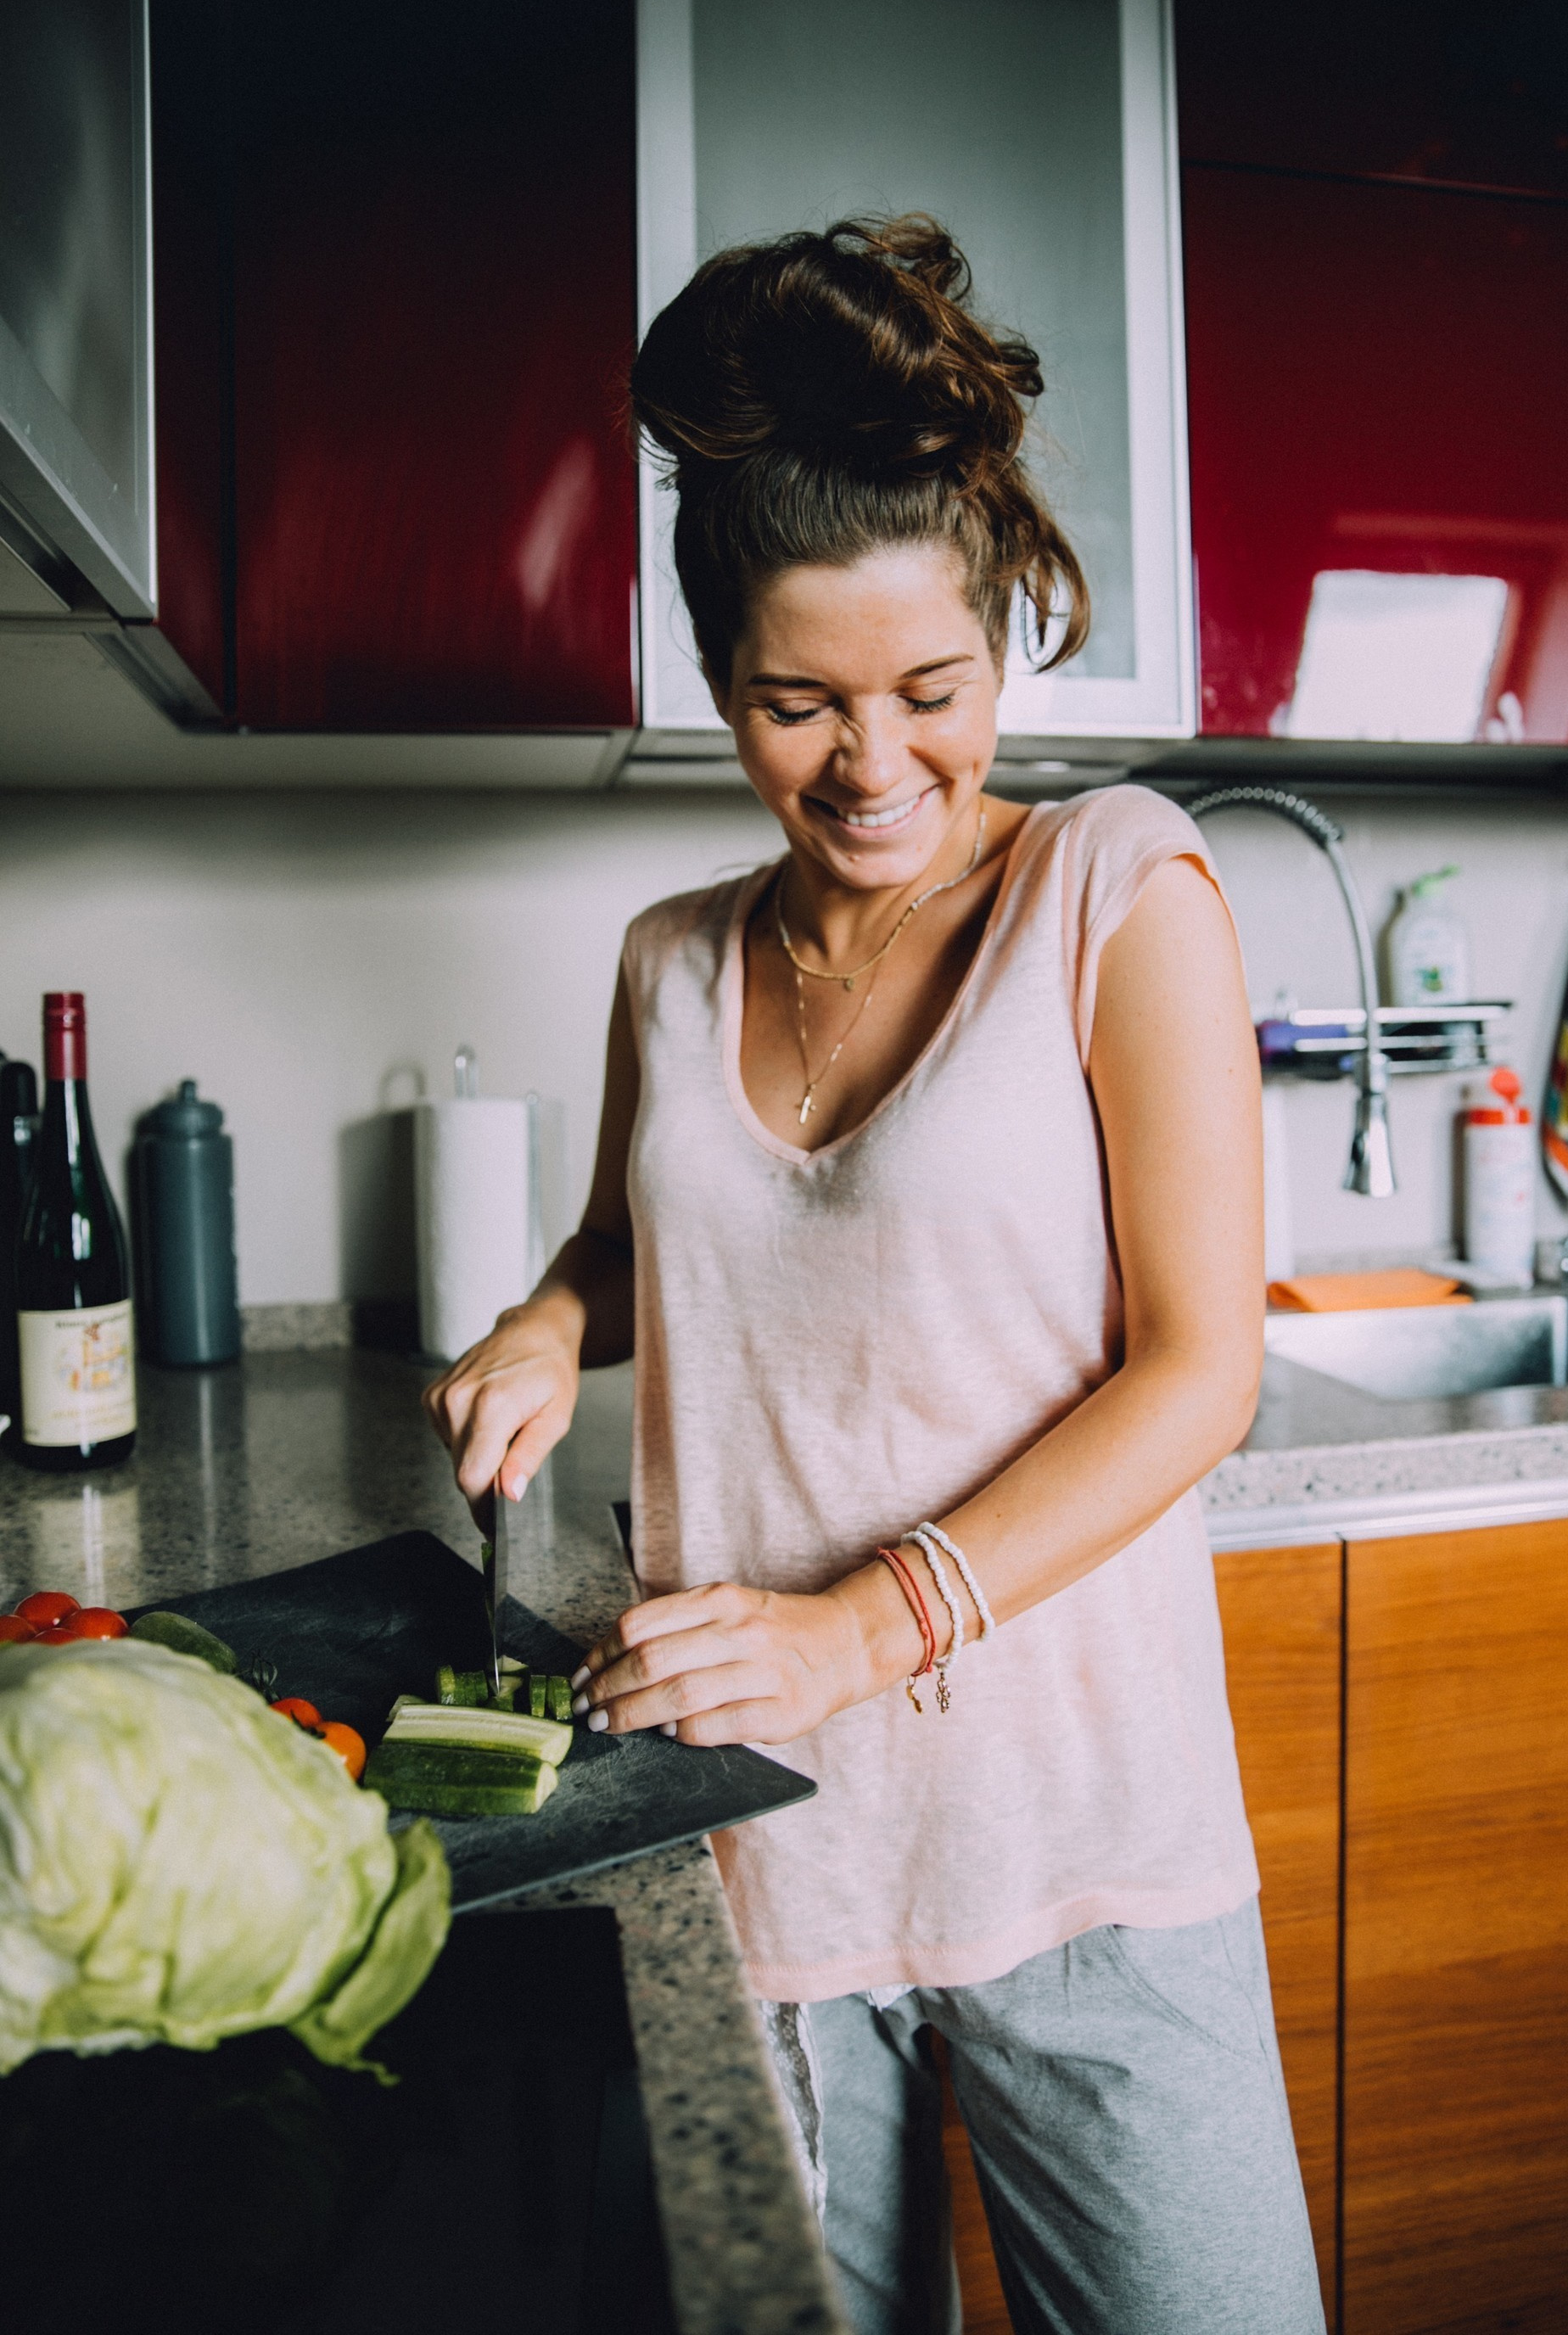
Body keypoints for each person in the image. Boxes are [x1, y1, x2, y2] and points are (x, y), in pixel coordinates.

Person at [426, 216, 1324, 2335]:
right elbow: (639, 1242)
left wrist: (858, 1627)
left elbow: (1200, 1378)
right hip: (773, 1852)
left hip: (1090, 1841)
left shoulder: (1118, 884)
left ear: (1001, 640)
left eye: (928, 693)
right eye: (791, 705)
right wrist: (555, 1323)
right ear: (715, 680)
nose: (872, 766)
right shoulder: (670, 961)